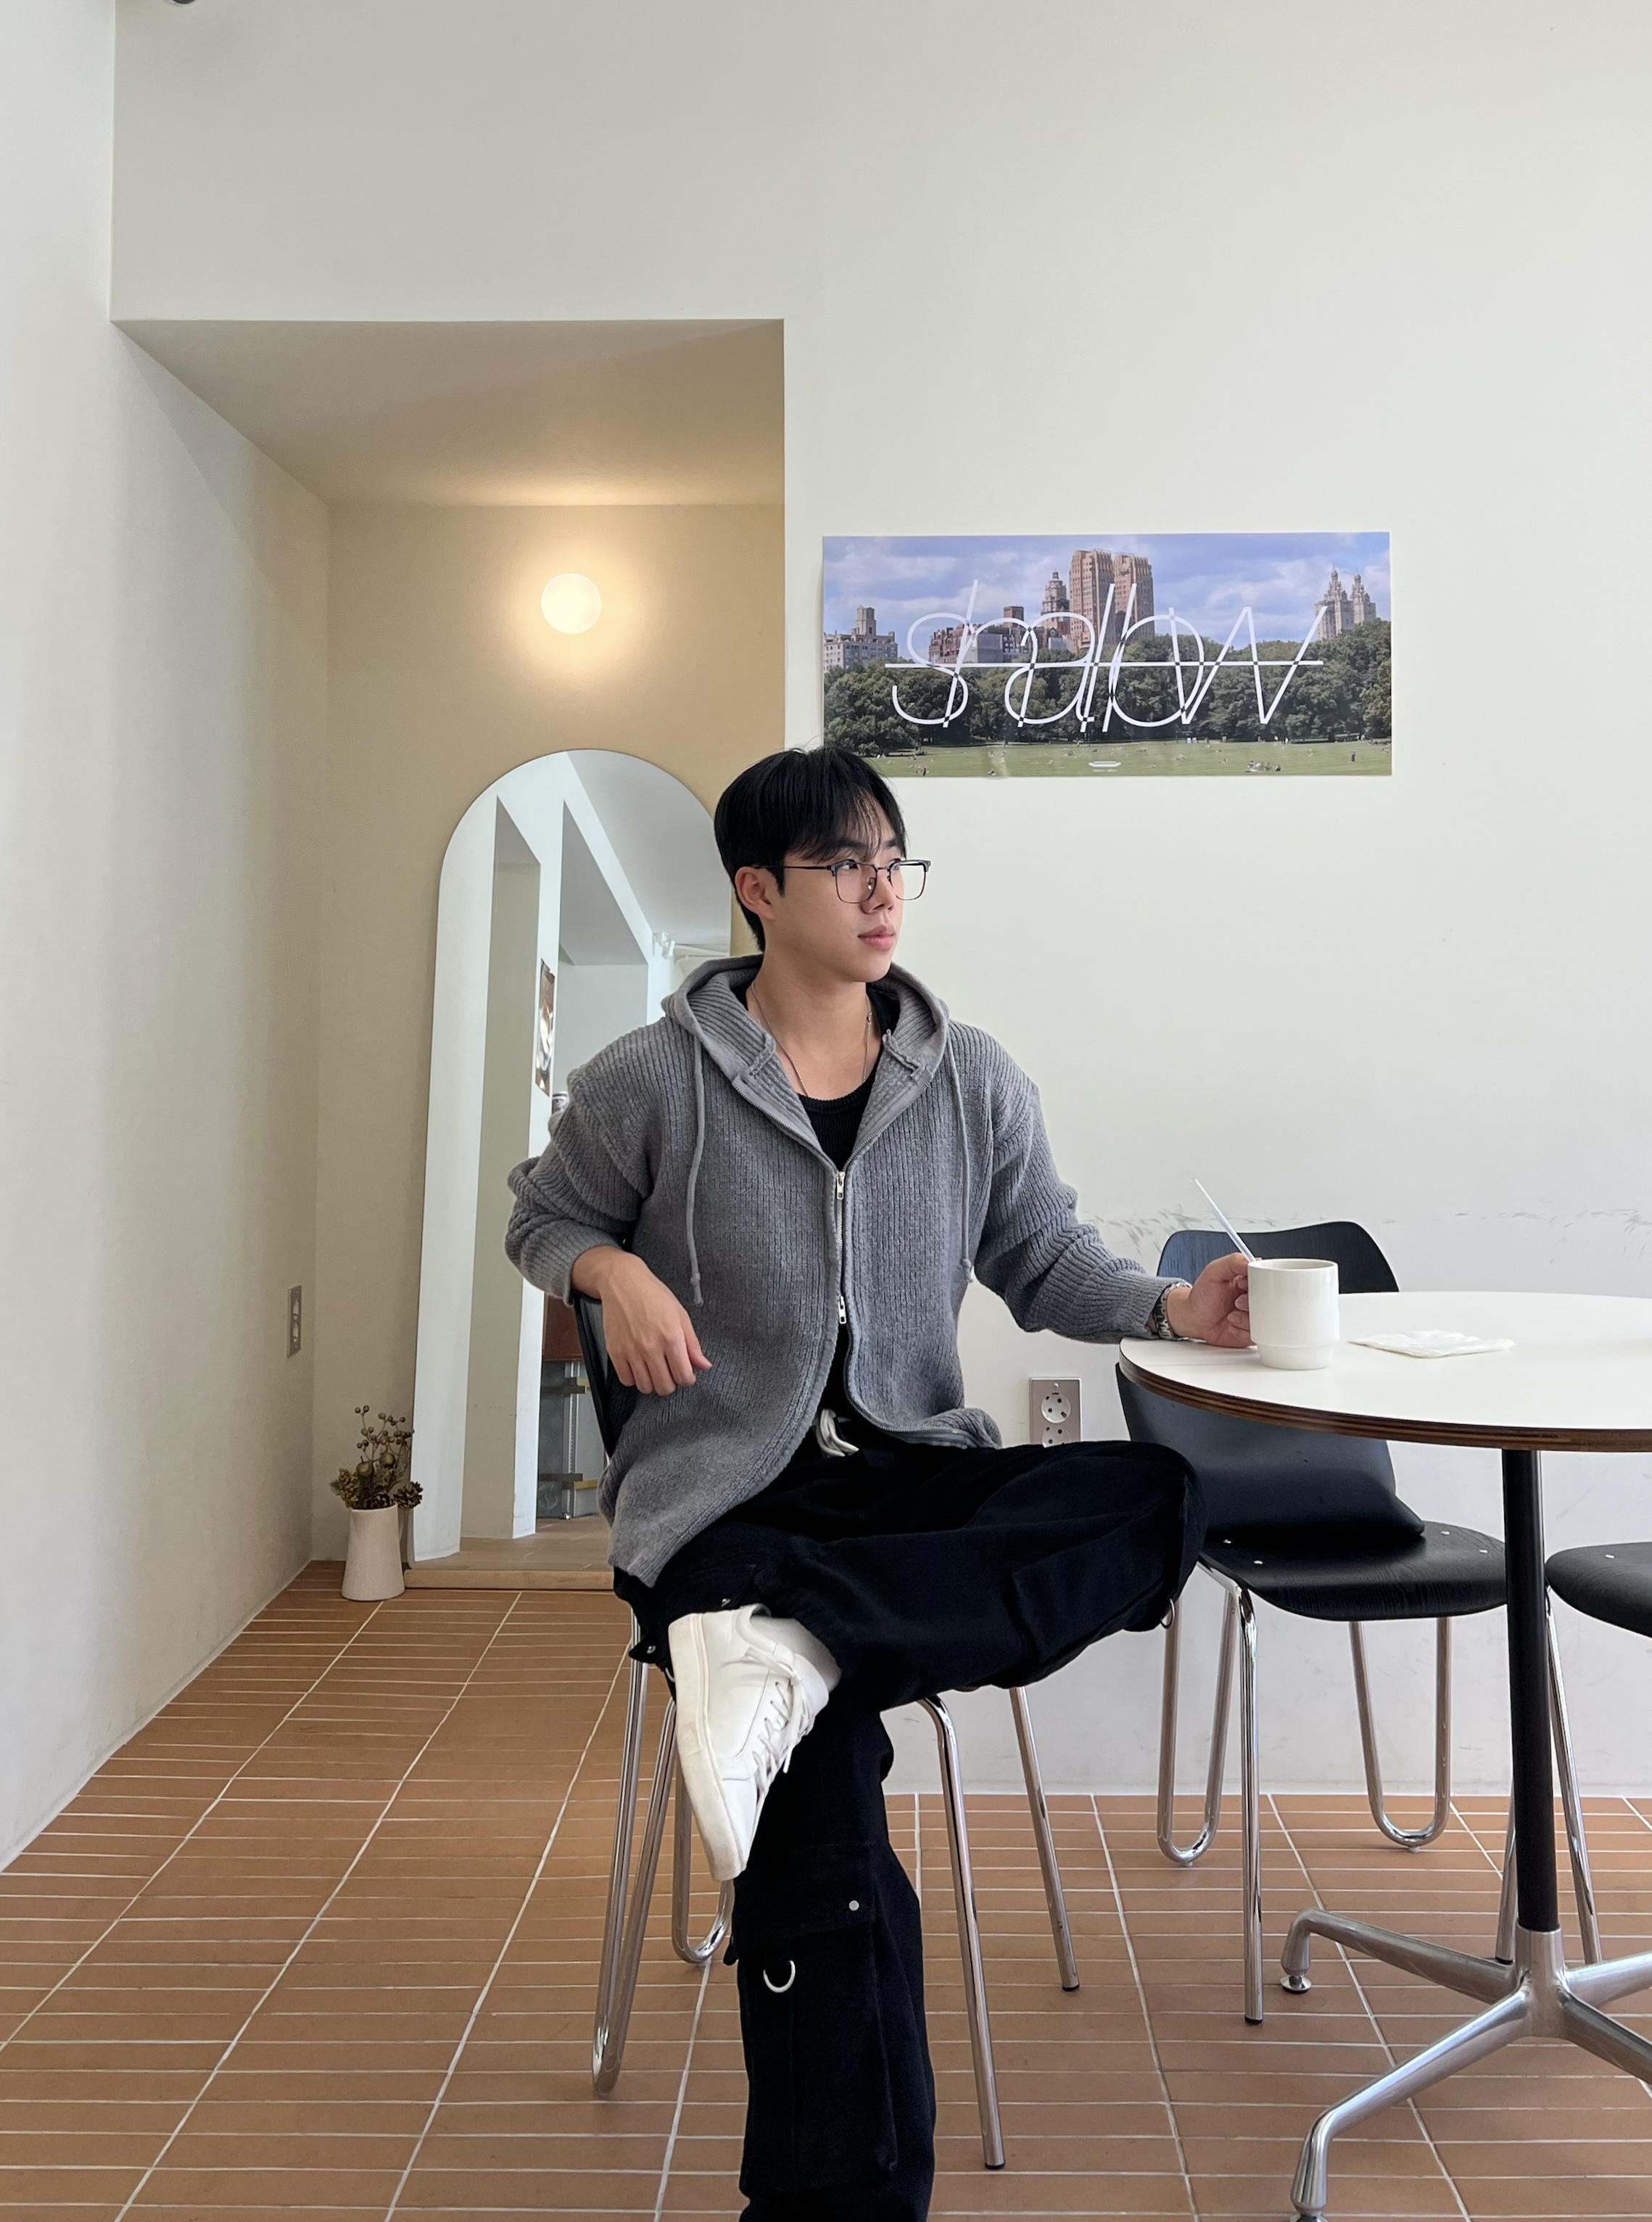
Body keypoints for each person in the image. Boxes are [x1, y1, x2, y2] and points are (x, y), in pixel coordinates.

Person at [505, 749, 1250, 2221]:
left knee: (1155, 1496)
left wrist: (1170, 1307)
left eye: (891, 860)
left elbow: (1043, 1259)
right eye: (842, 862)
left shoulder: (968, 1078)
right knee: (820, 1797)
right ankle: (841, 2200)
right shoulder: (651, 1078)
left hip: (908, 1484)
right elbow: (542, 1217)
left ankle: (797, 1642)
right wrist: (607, 1269)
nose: (878, 889)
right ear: (757, 889)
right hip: (725, 1506)